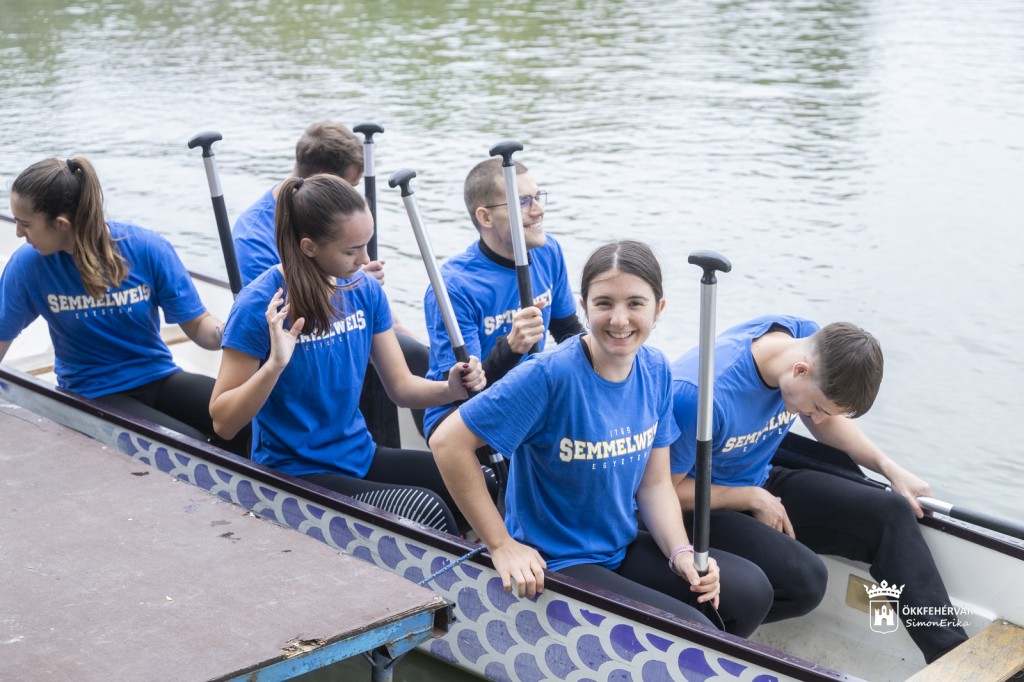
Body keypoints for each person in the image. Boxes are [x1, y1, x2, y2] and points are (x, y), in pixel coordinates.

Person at [431, 241, 772, 638]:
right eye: (604, 303)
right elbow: (448, 443)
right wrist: (501, 544)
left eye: (635, 303)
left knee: (750, 593)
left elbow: (655, 485)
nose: (619, 319)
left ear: (658, 308)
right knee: (694, 631)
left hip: (618, 546)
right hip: (555, 561)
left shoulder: (656, 369)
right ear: (584, 307)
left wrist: (680, 552)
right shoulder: (547, 375)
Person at [669, 315, 969, 662]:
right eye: (818, 408)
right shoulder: (701, 394)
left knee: (890, 512)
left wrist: (890, 468)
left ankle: (951, 655)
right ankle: (698, 637)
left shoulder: (805, 339)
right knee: (805, 582)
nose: (818, 418)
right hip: (697, 507)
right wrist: (749, 497)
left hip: (759, 480)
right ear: (800, 371)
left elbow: (827, 422)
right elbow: (661, 491)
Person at [210, 174, 487, 535]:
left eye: (366, 244)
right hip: (292, 472)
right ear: (309, 247)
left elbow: (401, 387)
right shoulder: (260, 306)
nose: (365, 259)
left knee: (480, 481)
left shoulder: (365, 290)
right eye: (351, 250)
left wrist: (450, 389)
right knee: (427, 511)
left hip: (359, 454)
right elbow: (224, 423)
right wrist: (274, 365)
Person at [0, 156, 247, 455]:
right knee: (190, 444)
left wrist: (232, 331)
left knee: (247, 418)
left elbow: (198, 326)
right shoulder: (28, 267)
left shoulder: (147, 248)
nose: (18, 233)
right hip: (93, 392)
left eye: (25, 224)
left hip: (159, 375)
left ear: (61, 224)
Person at [421, 157, 583, 442]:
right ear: (485, 217)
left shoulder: (548, 251)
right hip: (458, 418)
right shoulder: (453, 286)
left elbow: (567, 331)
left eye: (538, 197)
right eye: (523, 202)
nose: (539, 210)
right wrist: (512, 347)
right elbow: (467, 390)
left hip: (524, 397)